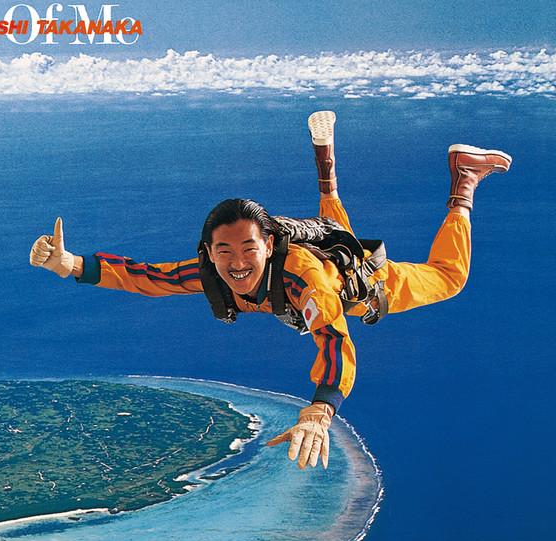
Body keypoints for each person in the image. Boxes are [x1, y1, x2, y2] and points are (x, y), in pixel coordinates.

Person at [30, 111, 511, 471]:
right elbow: (149, 277)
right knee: (334, 228)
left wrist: (320, 409)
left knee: (449, 277)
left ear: (270, 245)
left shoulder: (304, 280)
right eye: (224, 251)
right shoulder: (212, 271)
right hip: (323, 256)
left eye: (248, 249)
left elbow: (334, 337)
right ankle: (325, 163)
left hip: (362, 285)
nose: (237, 264)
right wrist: (69, 264)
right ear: (208, 251)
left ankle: (464, 181)